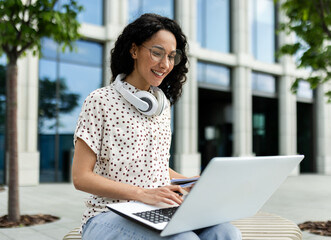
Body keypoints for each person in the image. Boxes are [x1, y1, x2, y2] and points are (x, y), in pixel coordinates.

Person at [72, 13, 242, 240]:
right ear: (134, 50)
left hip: (155, 210)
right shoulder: (100, 100)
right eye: (157, 53)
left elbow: (156, 167)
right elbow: (81, 177)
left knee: (226, 232)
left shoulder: (162, 107)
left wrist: (192, 183)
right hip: (107, 214)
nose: (165, 64)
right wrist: (143, 194)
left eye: (172, 56)